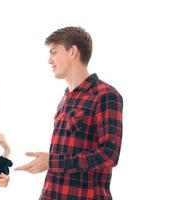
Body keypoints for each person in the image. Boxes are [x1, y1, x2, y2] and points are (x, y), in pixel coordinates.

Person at [15, 26, 123, 199]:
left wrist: (51, 161)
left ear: (73, 52)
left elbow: (109, 155)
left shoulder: (105, 95)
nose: (49, 60)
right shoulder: (66, 98)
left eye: (54, 52)